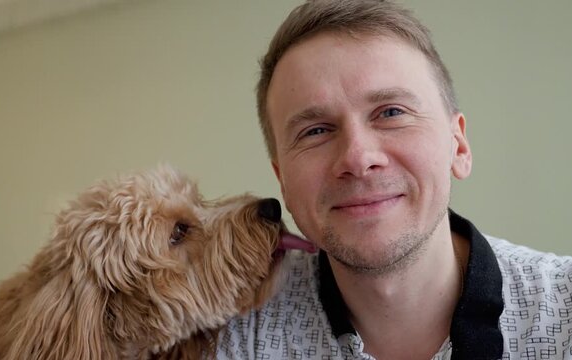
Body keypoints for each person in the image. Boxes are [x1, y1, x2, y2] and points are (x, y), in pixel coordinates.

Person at [215, 0, 572, 359]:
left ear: (459, 146)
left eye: (391, 112)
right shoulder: (235, 332)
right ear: (283, 181)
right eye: (315, 131)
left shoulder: (565, 307)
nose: (357, 158)